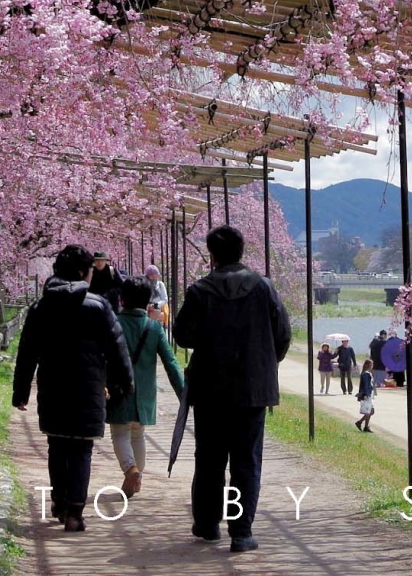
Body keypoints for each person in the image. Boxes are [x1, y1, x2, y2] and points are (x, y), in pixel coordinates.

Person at [173, 224, 291, 554]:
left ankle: (208, 524)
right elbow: (282, 335)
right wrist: (264, 363)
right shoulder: (263, 288)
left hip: (210, 389)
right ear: (242, 250)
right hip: (252, 391)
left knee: (209, 459)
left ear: (211, 254)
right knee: (246, 461)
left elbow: (183, 336)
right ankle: (241, 532)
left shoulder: (200, 290)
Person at [12, 244, 134, 531]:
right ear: (83, 272)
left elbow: (27, 351)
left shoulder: (41, 307)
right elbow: (117, 348)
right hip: (89, 387)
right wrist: (123, 384)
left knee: (57, 445)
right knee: (81, 448)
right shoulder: (99, 306)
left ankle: (60, 501)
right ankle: (75, 514)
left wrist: (20, 392)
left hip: (53, 384)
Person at [109, 275, 184, 498]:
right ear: (148, 301)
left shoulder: (113, 324)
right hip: (145, 393)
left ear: (122, 299)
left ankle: (129, 469)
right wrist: (184, 394)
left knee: (119, 433)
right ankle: (137, 475)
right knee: (137, 434)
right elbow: (171, 362)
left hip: (118, 389)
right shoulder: (154, 328)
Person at [354, 365, 378, 432]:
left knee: (370, 411)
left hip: (370, 394)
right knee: (371, 411)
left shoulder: (368, 373)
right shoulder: (365, 374)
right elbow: (366, 385)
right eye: (371, 365)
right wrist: (367, 394)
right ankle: (359, 422)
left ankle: (366, 427)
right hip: (367, 395)